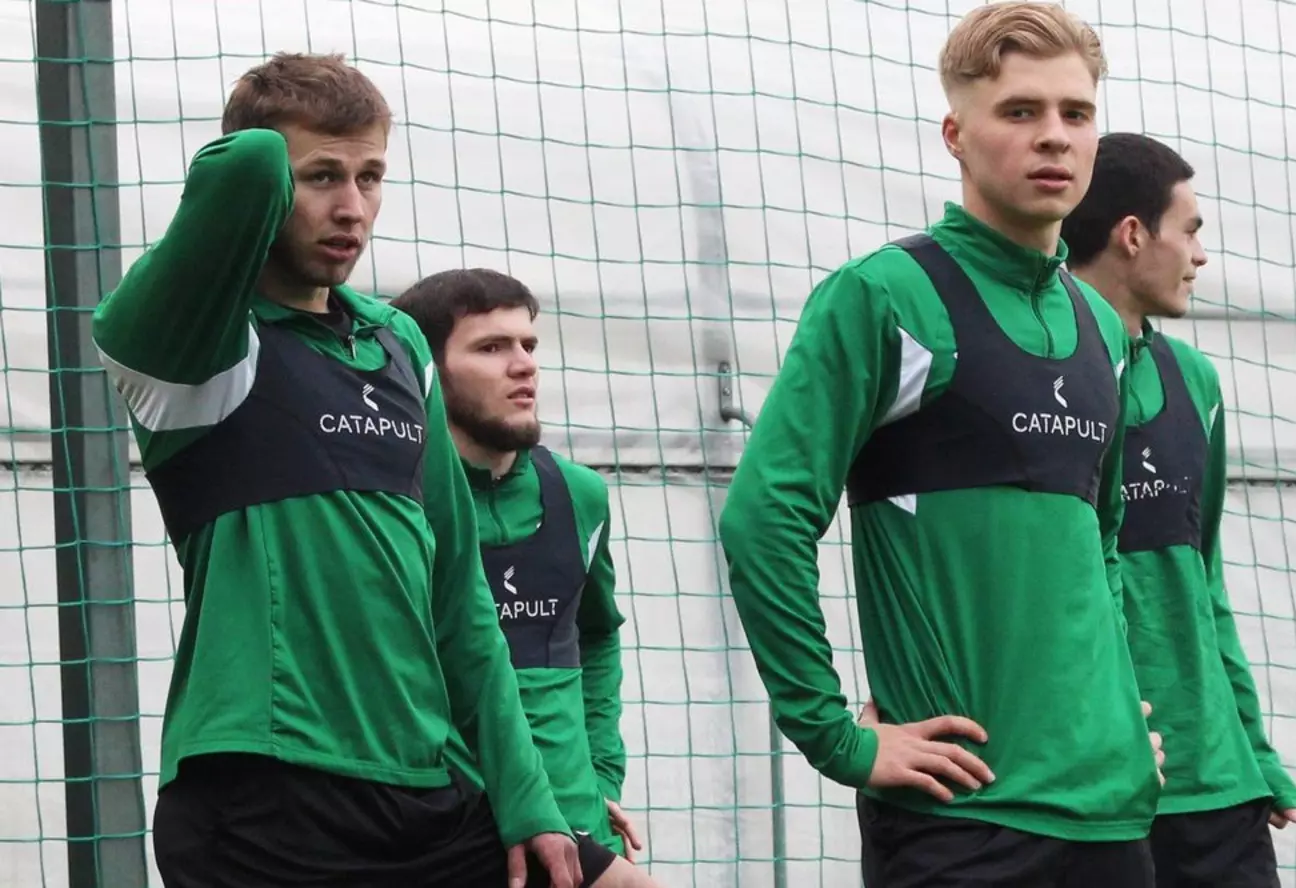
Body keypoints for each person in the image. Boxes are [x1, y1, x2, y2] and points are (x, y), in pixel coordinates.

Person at [92, 52, 585, 888]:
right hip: (263, 789)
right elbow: (241, 166)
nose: (353, 207)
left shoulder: (397, 343)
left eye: (371, 176)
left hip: (425, 786)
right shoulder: (194, 345)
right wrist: (266, 151)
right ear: (269, 188)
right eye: (321, 176)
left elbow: (459, 595)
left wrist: (528, 797)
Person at [718, 3, 1167, 885]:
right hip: (963, 820)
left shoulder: (1100, 328)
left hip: (1112, 819)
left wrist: (1120, 718)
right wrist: (835, 737)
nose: (1054, 135)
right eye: (1020, 111)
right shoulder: (884, 295)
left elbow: (1104, 547)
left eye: (1076, 113)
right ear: (955, 135)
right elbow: (763, 520)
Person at [1061, 131, 1296, 887]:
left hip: (1217, 787)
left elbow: (1205, 579)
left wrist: (1254, 749)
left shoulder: (1195, 380)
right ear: (1133, 235)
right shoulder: (1028, 372)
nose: (1200, 256)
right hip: (1089, 789)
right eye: (1191, 230)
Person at [391, 268, 663, 888]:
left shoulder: (580, 494)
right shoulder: (394, 505)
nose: (524, 366)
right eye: (491, 347)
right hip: (452, 836)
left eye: (529, 344)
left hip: (578, 831)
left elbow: (596, 635)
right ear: (429, 371)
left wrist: (600, 775)